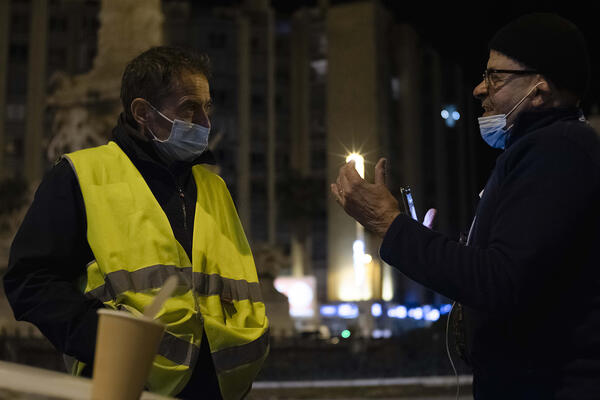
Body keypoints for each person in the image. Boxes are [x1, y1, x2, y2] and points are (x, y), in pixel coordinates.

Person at [331, 13, 599, 399]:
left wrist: (390, 224)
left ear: (539, 88)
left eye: (495, 77)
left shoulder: (557, 150)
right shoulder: (540, 149)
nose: (478, 89)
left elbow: (500, 281)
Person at [4, 46, 269, 400]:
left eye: (206, 107)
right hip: (126, 386)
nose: (205, 123)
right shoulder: (81, 175)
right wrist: (101, 338)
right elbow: (29, 280)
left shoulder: (212, 185)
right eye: (190, 108)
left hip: (220, 390)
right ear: (143, 112)